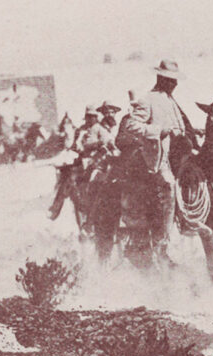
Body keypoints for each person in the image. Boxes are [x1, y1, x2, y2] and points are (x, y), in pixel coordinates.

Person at [115, 60, 190, 262]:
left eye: (175, 81)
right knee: (168, 185)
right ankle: (163, 241)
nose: (174, 84)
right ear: (161, 79)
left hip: (178, 156)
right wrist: (159, 131)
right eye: (170, 80)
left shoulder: (171, 101)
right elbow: (131, 125)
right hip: (159, 160)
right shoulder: (147, 100)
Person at [49, 106, 115, 220]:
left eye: (92, 116)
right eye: (88, 117)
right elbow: (75, 145)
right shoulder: (81, 129)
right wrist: (77, 147)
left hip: (95, 161)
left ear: (96, 117)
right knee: (67, 179)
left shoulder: (100, 129)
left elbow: (108, 142)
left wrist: (95, 145)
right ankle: (55, 209)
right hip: (81, 160)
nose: (90, 119)